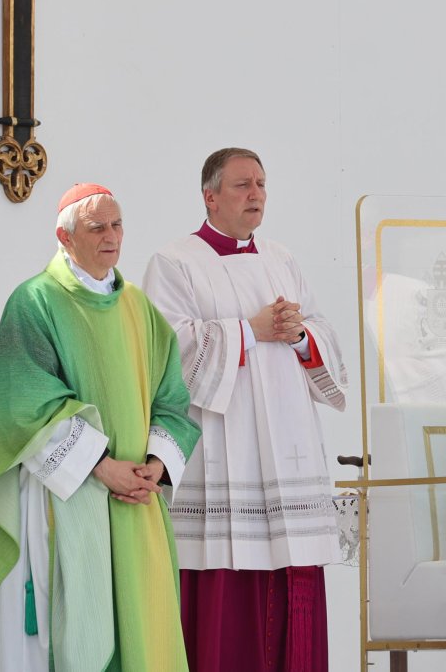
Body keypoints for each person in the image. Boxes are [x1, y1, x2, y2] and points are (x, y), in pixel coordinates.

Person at [0, 183, 200, 670]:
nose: (112, 237)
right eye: (97, 228)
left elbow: (172, 399)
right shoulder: (34, 302)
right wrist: (100, 466)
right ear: (64, 238)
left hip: (135, 499)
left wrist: (156, 464)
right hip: (63, 497)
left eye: (117, 224)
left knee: (143, 632)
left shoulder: (140, 309)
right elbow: (23, 403)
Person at [143, 148, 350, 671]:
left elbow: (321, 332)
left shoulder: (281, 258)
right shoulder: (174, 262)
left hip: (287, 449)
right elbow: (168, 352)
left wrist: (299, 334)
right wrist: (250, 331)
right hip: (222, 447)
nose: (255, 193)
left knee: (291, 584)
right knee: (225, 599)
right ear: (209, 196)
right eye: (241, 185)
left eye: (260, 184)